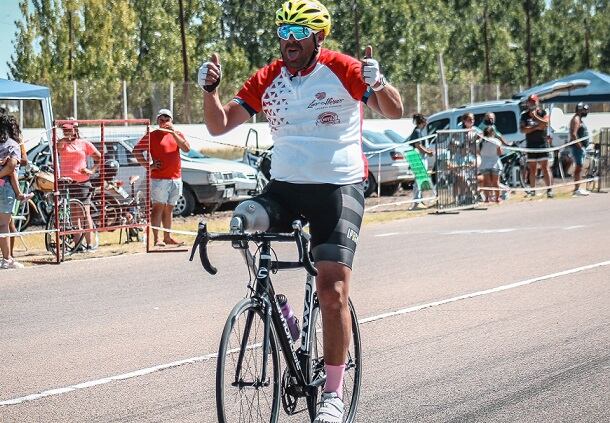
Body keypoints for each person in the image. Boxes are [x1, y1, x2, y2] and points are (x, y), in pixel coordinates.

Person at [198, 1, 403, 421]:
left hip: (338, 187)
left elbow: (394, 110)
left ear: (317, 38)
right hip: (287, 189)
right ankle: (278, 309)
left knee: (332, 290)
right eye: (283, 33)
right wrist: (209, 92)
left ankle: (332, 393)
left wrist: (378, 82)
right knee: (242, 222)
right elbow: (219, 126)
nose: (288, 42)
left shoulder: (343, 69)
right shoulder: (268, 77)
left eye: (298, 34)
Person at [134, 109, 190, 247]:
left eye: (167, 119)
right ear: (157, 121)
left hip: (176, 178)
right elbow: (136, 151)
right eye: (161, 120)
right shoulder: (152, 136)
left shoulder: (177, 134)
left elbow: (186, 148)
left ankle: (168, 237)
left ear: (171, 121)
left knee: (169, 208)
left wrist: (173, 132)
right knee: (158, 207)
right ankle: (157, 238)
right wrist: (149, 166)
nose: (164, 122)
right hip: (159, 179)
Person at [57, 121, 101, 251]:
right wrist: (65, 139)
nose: (67, 132)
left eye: (69, 130)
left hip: (83, 182)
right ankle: (77, 245)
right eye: (65, 130)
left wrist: (91, 171)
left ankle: (90, 244)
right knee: (74, 215)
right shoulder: (62, 143)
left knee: (85, 212)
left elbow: (99, 157)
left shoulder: (84, 143)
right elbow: (57, 149)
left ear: (75, 130)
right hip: (67, 183)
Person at [0, 114, 26, 269]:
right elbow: (11, 168)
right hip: (5, 189)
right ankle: (7, 259)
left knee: (6, 223)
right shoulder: (12, 144)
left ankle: (8, 257)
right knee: (3, 224)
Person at [520, 94, 553, 198]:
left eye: (534, 101)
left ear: (537, 102)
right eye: (530, 102)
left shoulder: (543, 112)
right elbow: (523, 129)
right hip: (531, 145)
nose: (532, 103)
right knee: (532, 169)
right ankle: (533, 190)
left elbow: (545, 124)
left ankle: (549, 190)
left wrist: (535, 117)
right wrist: (536, 127)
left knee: (545, 167)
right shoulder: (524, 115)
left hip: (542, 144)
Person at [407, 113, 433, 208]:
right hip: (419, 158)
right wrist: (428, 152)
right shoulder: (417, 131)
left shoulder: (419, 131)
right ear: (422, 121)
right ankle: (417, 202)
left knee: (420, 181)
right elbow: (418, 145)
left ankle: (419, 200)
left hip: (421, 157)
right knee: (418, 180)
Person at [570, 102, 590, 196]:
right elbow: (574, 134)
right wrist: (580, 146)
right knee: (578, 168)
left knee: (580, 167)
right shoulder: (576, 119)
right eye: (584, 110)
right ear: (580, 110)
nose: (586, 112)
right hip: (578, 148)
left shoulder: (579, 119)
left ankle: (578, 188)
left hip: (580, 148)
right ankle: (577, 189)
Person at [479, 126, 503, 203]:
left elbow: (478, 152)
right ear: (492, 132)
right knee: (496, 182)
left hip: (485, 164)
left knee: (486, 182)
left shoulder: (481, 142)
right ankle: (497, 198)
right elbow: (500, 153)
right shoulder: (496, 141)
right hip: (495, 163)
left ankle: (486, 199)